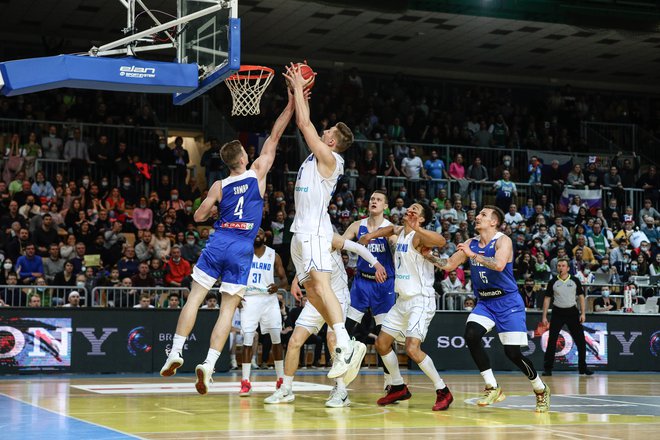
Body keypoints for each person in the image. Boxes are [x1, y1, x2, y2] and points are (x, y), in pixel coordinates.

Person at [159, 88, 295, 395]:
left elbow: (197, 218)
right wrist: (289, 103)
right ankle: (208, 364)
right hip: (242, 247)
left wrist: (213, 207)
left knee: (194, 298)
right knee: (226, 310)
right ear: (245, 158)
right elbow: (274, 136)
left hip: (218, 240)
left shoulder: (219, 184)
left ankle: (175, 352)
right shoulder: (257, 173)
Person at [282, 63, 366, 383]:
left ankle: (345, 344)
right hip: (300, 232)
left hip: (317, 230)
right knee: (311, 289)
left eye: (327, 132)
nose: (323, 131)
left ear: (332, 143)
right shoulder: (318, 156)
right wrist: (300, 94)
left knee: (322, 285)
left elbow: (303, 122)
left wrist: (300, 87)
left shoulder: (331, 159)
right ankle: (342, 337)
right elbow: (307, 121)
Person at [425, 205, 550, 412]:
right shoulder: (470, 243)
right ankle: (492, 386)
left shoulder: (503, 240)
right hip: (485, 302)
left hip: (508, 302)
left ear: (494, 222)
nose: (478, 217)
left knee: (513, 354)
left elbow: (499, 265)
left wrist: (473, 255)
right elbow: (448, 265)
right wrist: (428, 255)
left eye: (483, 215)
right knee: (471, 334)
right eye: (478, 214)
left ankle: (540, 388)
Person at [264, 233, 385, 407]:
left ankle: (341, 391)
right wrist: (295, 281)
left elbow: (357, 247)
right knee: (294, 341)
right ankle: (286, 389)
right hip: (315, 299)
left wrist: (376, 264)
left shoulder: (328, 237)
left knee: (332, 339)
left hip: (337, 296)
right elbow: (304, 267)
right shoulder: (300, 241)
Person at [365, 204, 453, 411]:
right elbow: (390, 229)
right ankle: (397, 386)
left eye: (416, 210)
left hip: (420, 300)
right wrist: (371, 236)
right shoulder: (401, 231)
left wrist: (417, 228)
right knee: (381, 343)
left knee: (413, 348)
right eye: (410, 208)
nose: (410, 210)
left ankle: (443, 391)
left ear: (421, 219)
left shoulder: (419, 237)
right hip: (402, 301)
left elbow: (441, 241)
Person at [342, 190, 396, 388]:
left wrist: (394, 243)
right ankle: (341, 377)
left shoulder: (390, 228)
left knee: (384, 336)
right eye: (372, 199)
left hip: (384, 286)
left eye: (379, 199)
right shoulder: (358, 225)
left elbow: (396, 244)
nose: (374, 201)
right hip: (362, 283)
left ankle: (390, 381)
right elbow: (341, 242)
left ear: (386, 206)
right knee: (347, 330)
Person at [239, 228, 289, 397]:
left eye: (260, 232)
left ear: (265, 236)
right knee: (247, 338)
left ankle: (280, 378)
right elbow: (235, 276)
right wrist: (237, 296)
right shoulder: (243, 253)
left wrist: (278, 286)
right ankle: (245, 381)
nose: (257, 235)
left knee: (276, 338)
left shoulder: (273, 254)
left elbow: (284, 280)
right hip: (249, 298)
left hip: (269, 299)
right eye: (255, 233)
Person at [541, 258, 594, 376]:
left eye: (563, 266)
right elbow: (547, 299)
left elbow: (581, 296)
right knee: (552, 341)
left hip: (572, 313)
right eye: (559, 266)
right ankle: (548, 368)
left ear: (568, 268)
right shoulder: (553, 281)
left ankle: (583, 368)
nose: (560, 268)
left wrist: (583, 313)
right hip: (557, 313)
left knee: (581, 341)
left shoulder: (575, 280)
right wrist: (544, 316)